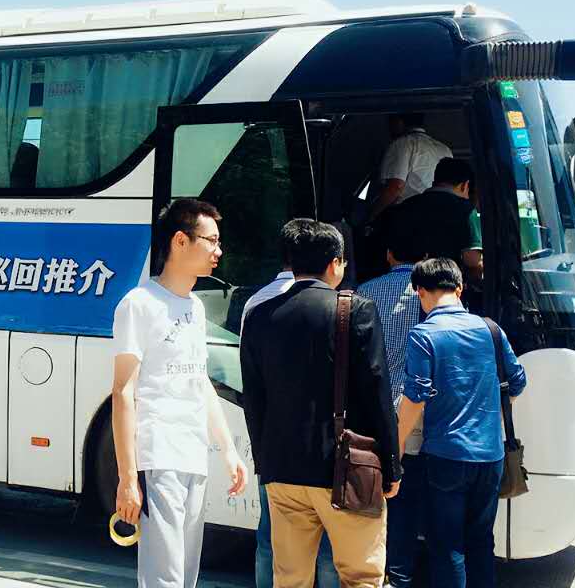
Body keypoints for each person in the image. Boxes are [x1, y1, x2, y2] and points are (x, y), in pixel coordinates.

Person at [241, 219, 401, 588]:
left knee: (290, 578)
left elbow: (255, 399)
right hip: (345, 470)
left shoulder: (260, 315)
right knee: (360, 576)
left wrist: (265, 462)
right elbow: (376, 392)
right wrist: (391, 465)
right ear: (335, 264)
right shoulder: (355, 310)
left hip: (282, 470)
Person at [111, 199, 249, 588]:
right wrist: (127, 477)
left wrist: (229, 450)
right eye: (211, 240)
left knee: (186, 576)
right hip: (158, 454)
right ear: (180, 241)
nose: (218, 251)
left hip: (193, 454)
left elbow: (199, 381)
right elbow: (123, 392)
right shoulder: (139, 304)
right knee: (164, 577)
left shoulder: (195, 307)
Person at [397, 258, 527, 588]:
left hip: (446, 456)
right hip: (491, 455)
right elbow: (517, 382)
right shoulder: (491, 329)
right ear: (459, 288)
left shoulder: (423, 335)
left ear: (419, 292)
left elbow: (415, 397)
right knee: (481, 541)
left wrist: (395, 446)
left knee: (447, 546)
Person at [240, 219, 339, 588]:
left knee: (270, 537)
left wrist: (260, 450)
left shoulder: (257, 303)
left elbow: (253, 385)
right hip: (326, 446)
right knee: (328, 543)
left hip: (276, 444)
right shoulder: (340, 306)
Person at [355, 229, 427, 588]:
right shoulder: (427, 295)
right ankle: (399, 572)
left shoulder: (365, 291)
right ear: (425, 257)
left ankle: (371, 565)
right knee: (406, 495)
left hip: (371, 407)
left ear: (388, 254)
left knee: (369, 491)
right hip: (412, 409)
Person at [390, 157, 482, 279]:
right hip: (447, 283)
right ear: (465, 185)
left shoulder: (405, 206)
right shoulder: (467, 210)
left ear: (434, 181)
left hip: (407, 280)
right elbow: (472, 261)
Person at [367, 113, 453, 224]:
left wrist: (371, 217)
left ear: (399, 121)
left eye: (390, 122)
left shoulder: (401, 144)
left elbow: (395, 186)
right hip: (439, 217)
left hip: (408, 217)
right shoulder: (445, 149)